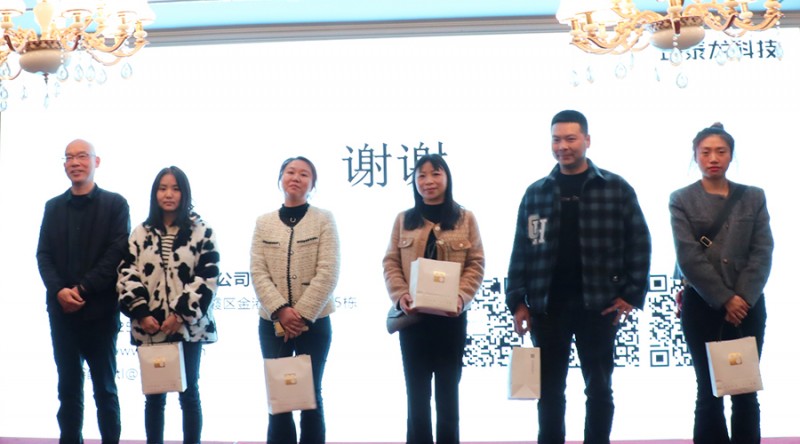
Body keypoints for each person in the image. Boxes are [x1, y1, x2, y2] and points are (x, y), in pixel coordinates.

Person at [506, 110, 651, 444]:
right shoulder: (536, 192)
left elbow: (640, 242)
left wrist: (630, 295)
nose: (563, 146)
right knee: (549, 391)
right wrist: (517, 301)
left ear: (587, 140)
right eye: (556, 139)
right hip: (547, 307)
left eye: (570, 139)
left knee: (599, 388)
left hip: (599, 305)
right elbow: (521, 250)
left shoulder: (615, 188)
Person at [670, 123, 772, 444]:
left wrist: (743, 297)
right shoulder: (681, 199)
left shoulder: (753, 196)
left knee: (745, 389)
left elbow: (762, 251)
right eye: (706, 152)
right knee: (708, 390)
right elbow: (688, 257)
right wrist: (725, 298)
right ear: (695, 156)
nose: (713, 158)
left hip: (748, 306)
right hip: (702, 305)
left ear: (730, 155)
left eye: (721, 151)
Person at [383, 153, 485, 444]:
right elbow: (391, 262)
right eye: (421, 175)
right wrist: (400, 294)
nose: (428, 181)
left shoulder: (465, 218)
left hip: (451, 320)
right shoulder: (404, 220)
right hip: (413, 320)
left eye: (435, 174)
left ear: (447, 178)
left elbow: (476, 263)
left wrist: (461, 297)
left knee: (448, 396)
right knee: (416, 396)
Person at [36, 139, 130, 444]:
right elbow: (43, 255)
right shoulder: (53, 207)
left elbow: (116, 255)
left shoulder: (115, 204)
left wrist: (82, 289)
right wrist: (60, 291)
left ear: (96, 161)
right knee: (68, 390)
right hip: (62, 313)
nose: (75, 163)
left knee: (105, 389)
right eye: (69, 158)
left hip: (100, 313)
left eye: (82, 156)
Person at [117, 166, 220, 444]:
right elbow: (126, 273)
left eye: (175, 188)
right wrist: (141, 313)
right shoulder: (140, 232)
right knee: (154, 397)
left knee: (189, 394)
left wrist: (181, 314)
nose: (169, 194)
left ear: (185, 193)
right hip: (150, 326)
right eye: (162, 188)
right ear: (155, 194)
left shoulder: (202, 231)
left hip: (187, 328)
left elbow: (208, 276)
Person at [250, 156, 341, 444]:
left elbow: (329, 271)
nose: (296, 178)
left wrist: (299, 316)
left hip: (314, 322)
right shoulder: (263, 222)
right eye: (290, 172)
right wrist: (280, 311)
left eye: (304, 174)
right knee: (280, 398)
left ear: (312, 184)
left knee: (311, 396)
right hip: (271, 323)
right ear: (280, 178)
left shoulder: (324, 219)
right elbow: (258, 271)